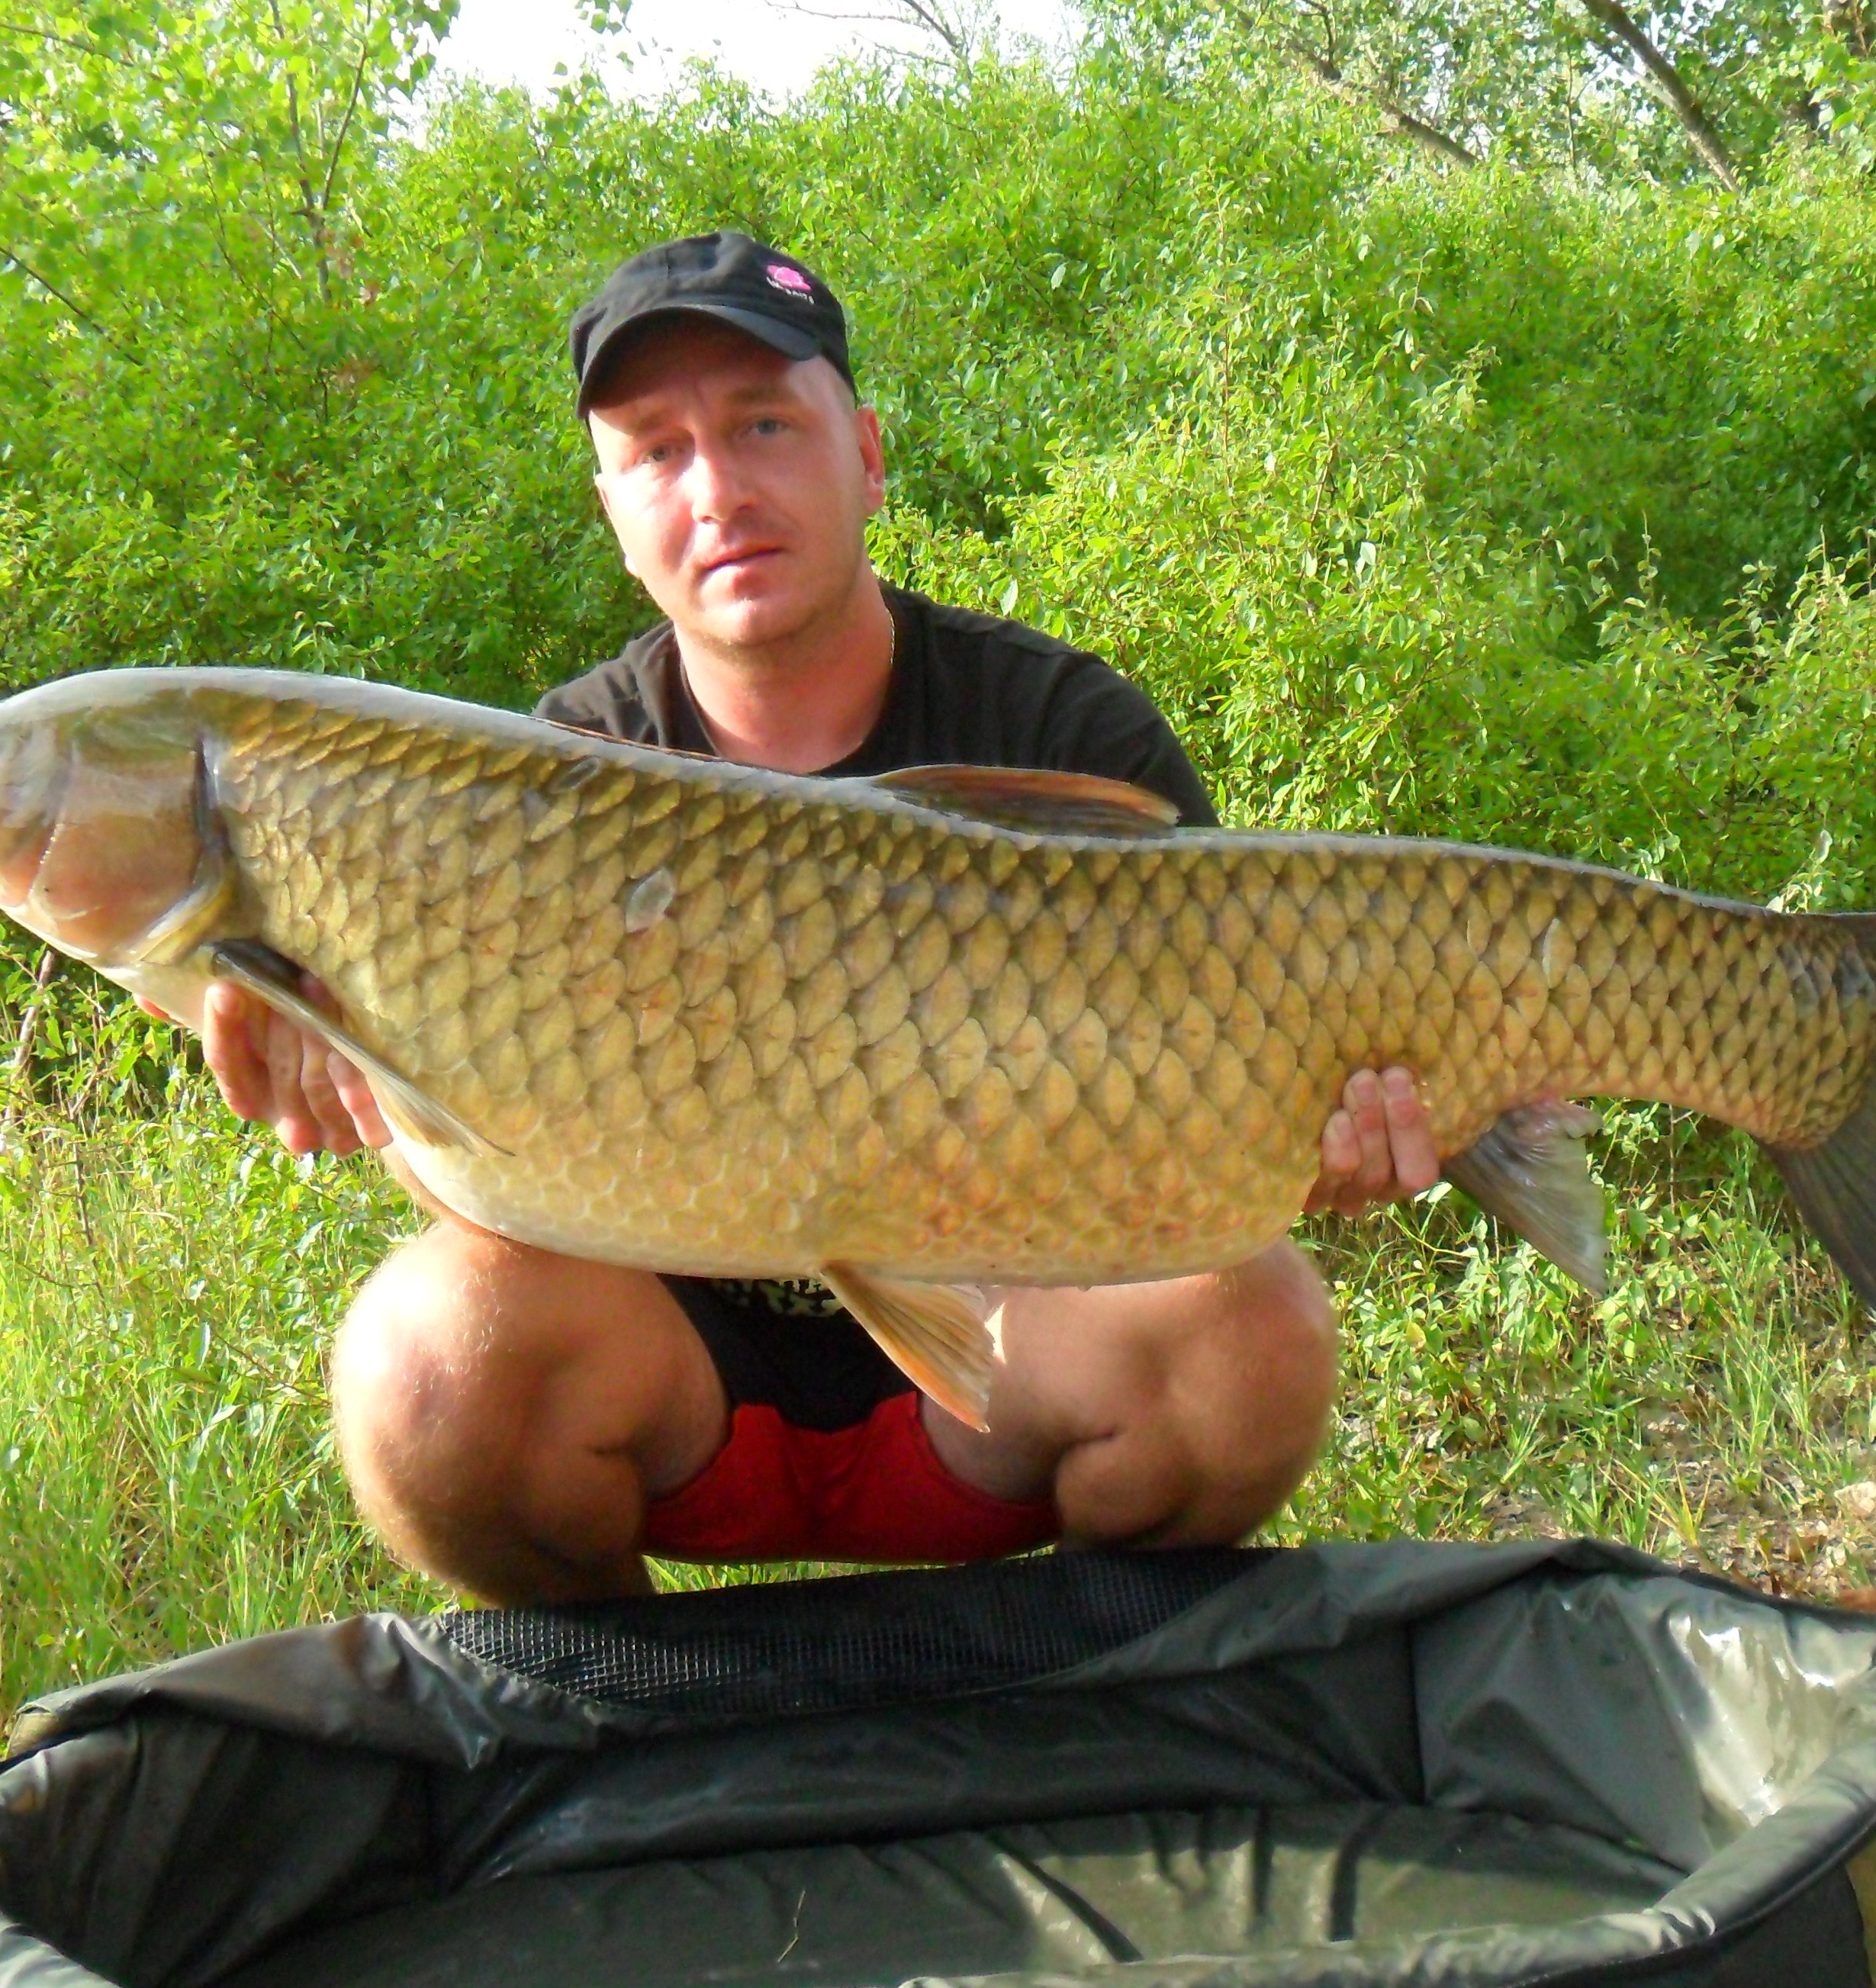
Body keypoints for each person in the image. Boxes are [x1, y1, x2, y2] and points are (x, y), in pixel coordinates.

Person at [188, 232, 1444, 1602]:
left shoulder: (1057, 725)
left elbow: (1215, 1067)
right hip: (683, 1385)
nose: (717, 490)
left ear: (867, 455)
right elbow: (496, 1184)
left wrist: (1311, 1137)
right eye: (656, 452)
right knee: (419, 1366)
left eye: (764, 426)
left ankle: (1085, 1678)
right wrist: (366, 1092)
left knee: (1255, 1321)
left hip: (1008, 1372)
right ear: (613, 511)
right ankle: (635, 1703)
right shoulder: (554, 781)